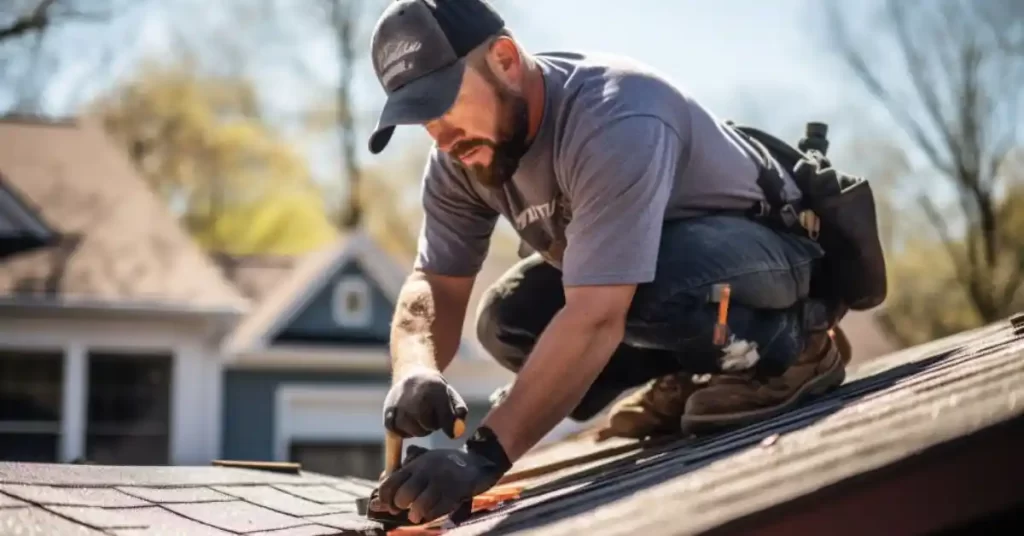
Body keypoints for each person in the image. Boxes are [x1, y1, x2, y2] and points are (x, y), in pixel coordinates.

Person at [368, 0, 852, 524]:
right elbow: (434, 284)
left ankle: (799, 344)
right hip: (664, 278)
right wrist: (415, 369)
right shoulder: (460, 157)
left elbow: (597, 315)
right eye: (421, 117)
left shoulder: (614, 113)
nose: (439, 136)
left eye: (444, 103)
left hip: (774, 255)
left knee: (639, 289)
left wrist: (481, 458)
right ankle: (696, 370)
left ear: (504, 59)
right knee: (506, 321)